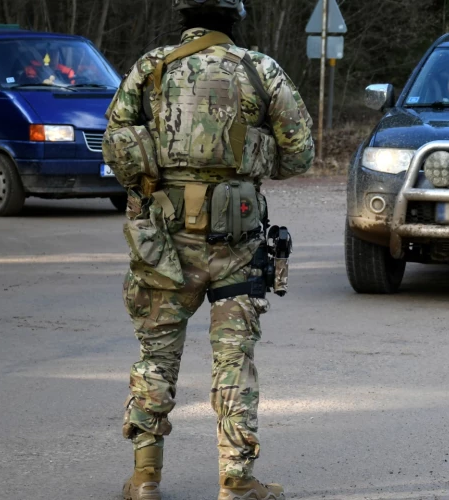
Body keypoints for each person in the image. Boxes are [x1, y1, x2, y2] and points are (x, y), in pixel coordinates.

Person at [102, 0, 314, 499]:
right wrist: (249, 156)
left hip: (162, 242)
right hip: (236, 241)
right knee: (234, 359)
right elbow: (300, 154)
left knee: (156, 354)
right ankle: (236, 480)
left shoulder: (151, 68)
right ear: (234, 18)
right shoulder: (260, 70)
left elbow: (115, 143)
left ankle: (145, 478)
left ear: (183, 17)